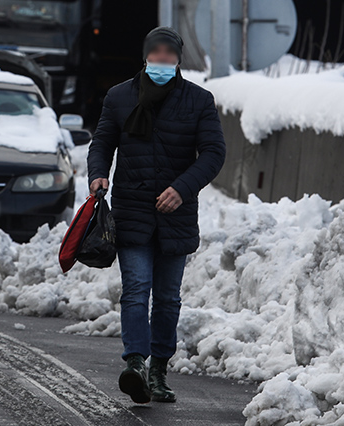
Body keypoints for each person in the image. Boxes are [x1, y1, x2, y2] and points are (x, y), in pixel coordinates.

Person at [87, 26, 225, 404]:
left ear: (178, 58)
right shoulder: (119, 97)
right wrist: (98, 173)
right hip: (132, 211)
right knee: (135, 290)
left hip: (176, 216)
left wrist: (182, 189)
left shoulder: (198, 100)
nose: (162, 58)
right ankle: (135, 363)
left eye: (169, 53)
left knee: (166, 298)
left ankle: (159, 371)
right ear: (145, 55)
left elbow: (213, 153)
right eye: (156, 52)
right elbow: (102, 142)